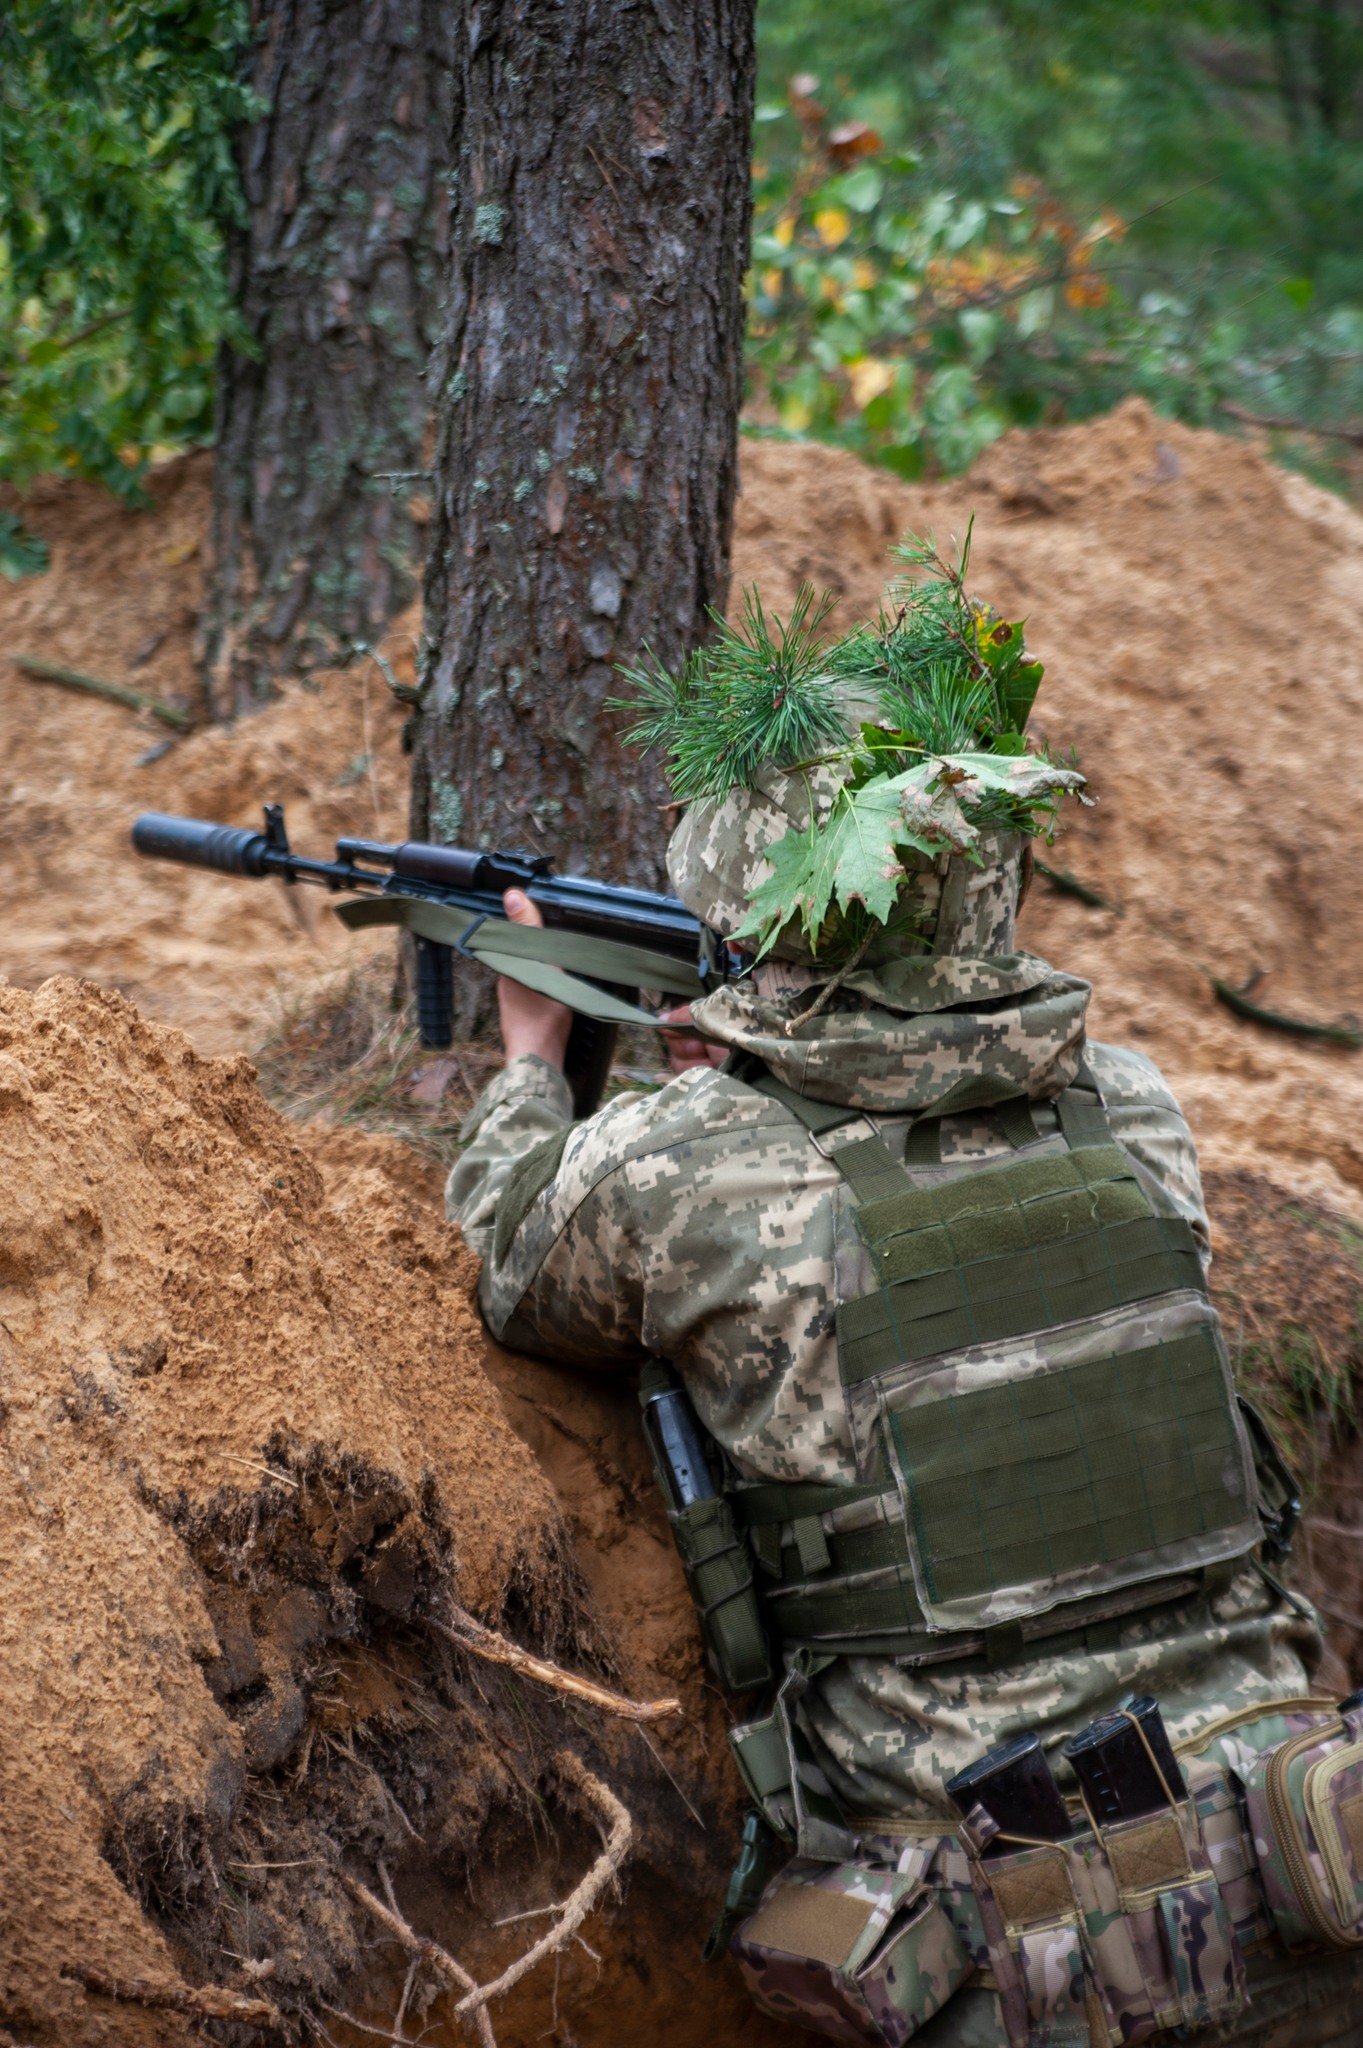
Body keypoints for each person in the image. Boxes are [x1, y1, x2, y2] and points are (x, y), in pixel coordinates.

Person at [447, 629, 1363, 2046]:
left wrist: (527, 1060)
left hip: (1033, 1945)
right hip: (1308, 1847)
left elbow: (511, 1251)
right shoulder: (1134, 1109)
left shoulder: (693, 1166)